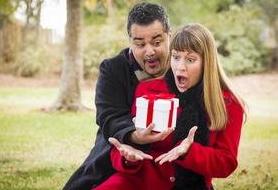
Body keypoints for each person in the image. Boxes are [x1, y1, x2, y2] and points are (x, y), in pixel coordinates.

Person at [94, 23, 246, 190]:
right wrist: (128, 156)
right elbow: (120, 150)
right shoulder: (148, 90)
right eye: (175, 57)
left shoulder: (228, 103)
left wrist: (190, 152)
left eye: (190, 59)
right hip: (138, 183)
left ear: (206, 63)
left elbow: (226, 163)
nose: (180, 66)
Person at [63, 2, 174, 190]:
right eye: (140, 44)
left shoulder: (182, 67)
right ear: (130, 41)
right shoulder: (113, 68)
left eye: (156, 42)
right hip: (119, 153)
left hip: (170, 162)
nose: (149, 51)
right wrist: (134, 136)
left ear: (169, 36)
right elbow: (109, 116)